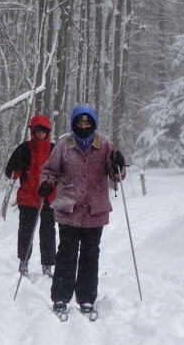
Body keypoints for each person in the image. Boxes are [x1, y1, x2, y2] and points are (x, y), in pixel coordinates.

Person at [38, 105, 126, 318]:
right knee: (66, 254)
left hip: (95, 211)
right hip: (69, 209)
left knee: (90, 255)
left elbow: (117, 177)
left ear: (94, 124)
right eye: (80, 123)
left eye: (88, 123)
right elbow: (50, 170)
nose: (83, 126)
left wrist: (118, 166)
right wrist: (47, 182)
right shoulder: (63, 146)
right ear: (74, 124)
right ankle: (60, 297)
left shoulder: (105, 144)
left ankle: (86, 299)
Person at [5, 115, 57, 277]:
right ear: (32, 131)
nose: (40, 134)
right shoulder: (24, 148)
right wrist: (14, 168)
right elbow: (11, 173)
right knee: (26, 231)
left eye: (44, 131)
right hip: (27, 197)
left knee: (48, 232)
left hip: (49, 198)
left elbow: (62, 172)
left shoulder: (54, 149)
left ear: (48, 132)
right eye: (37, 131)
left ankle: (47, 265)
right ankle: (24, 262)